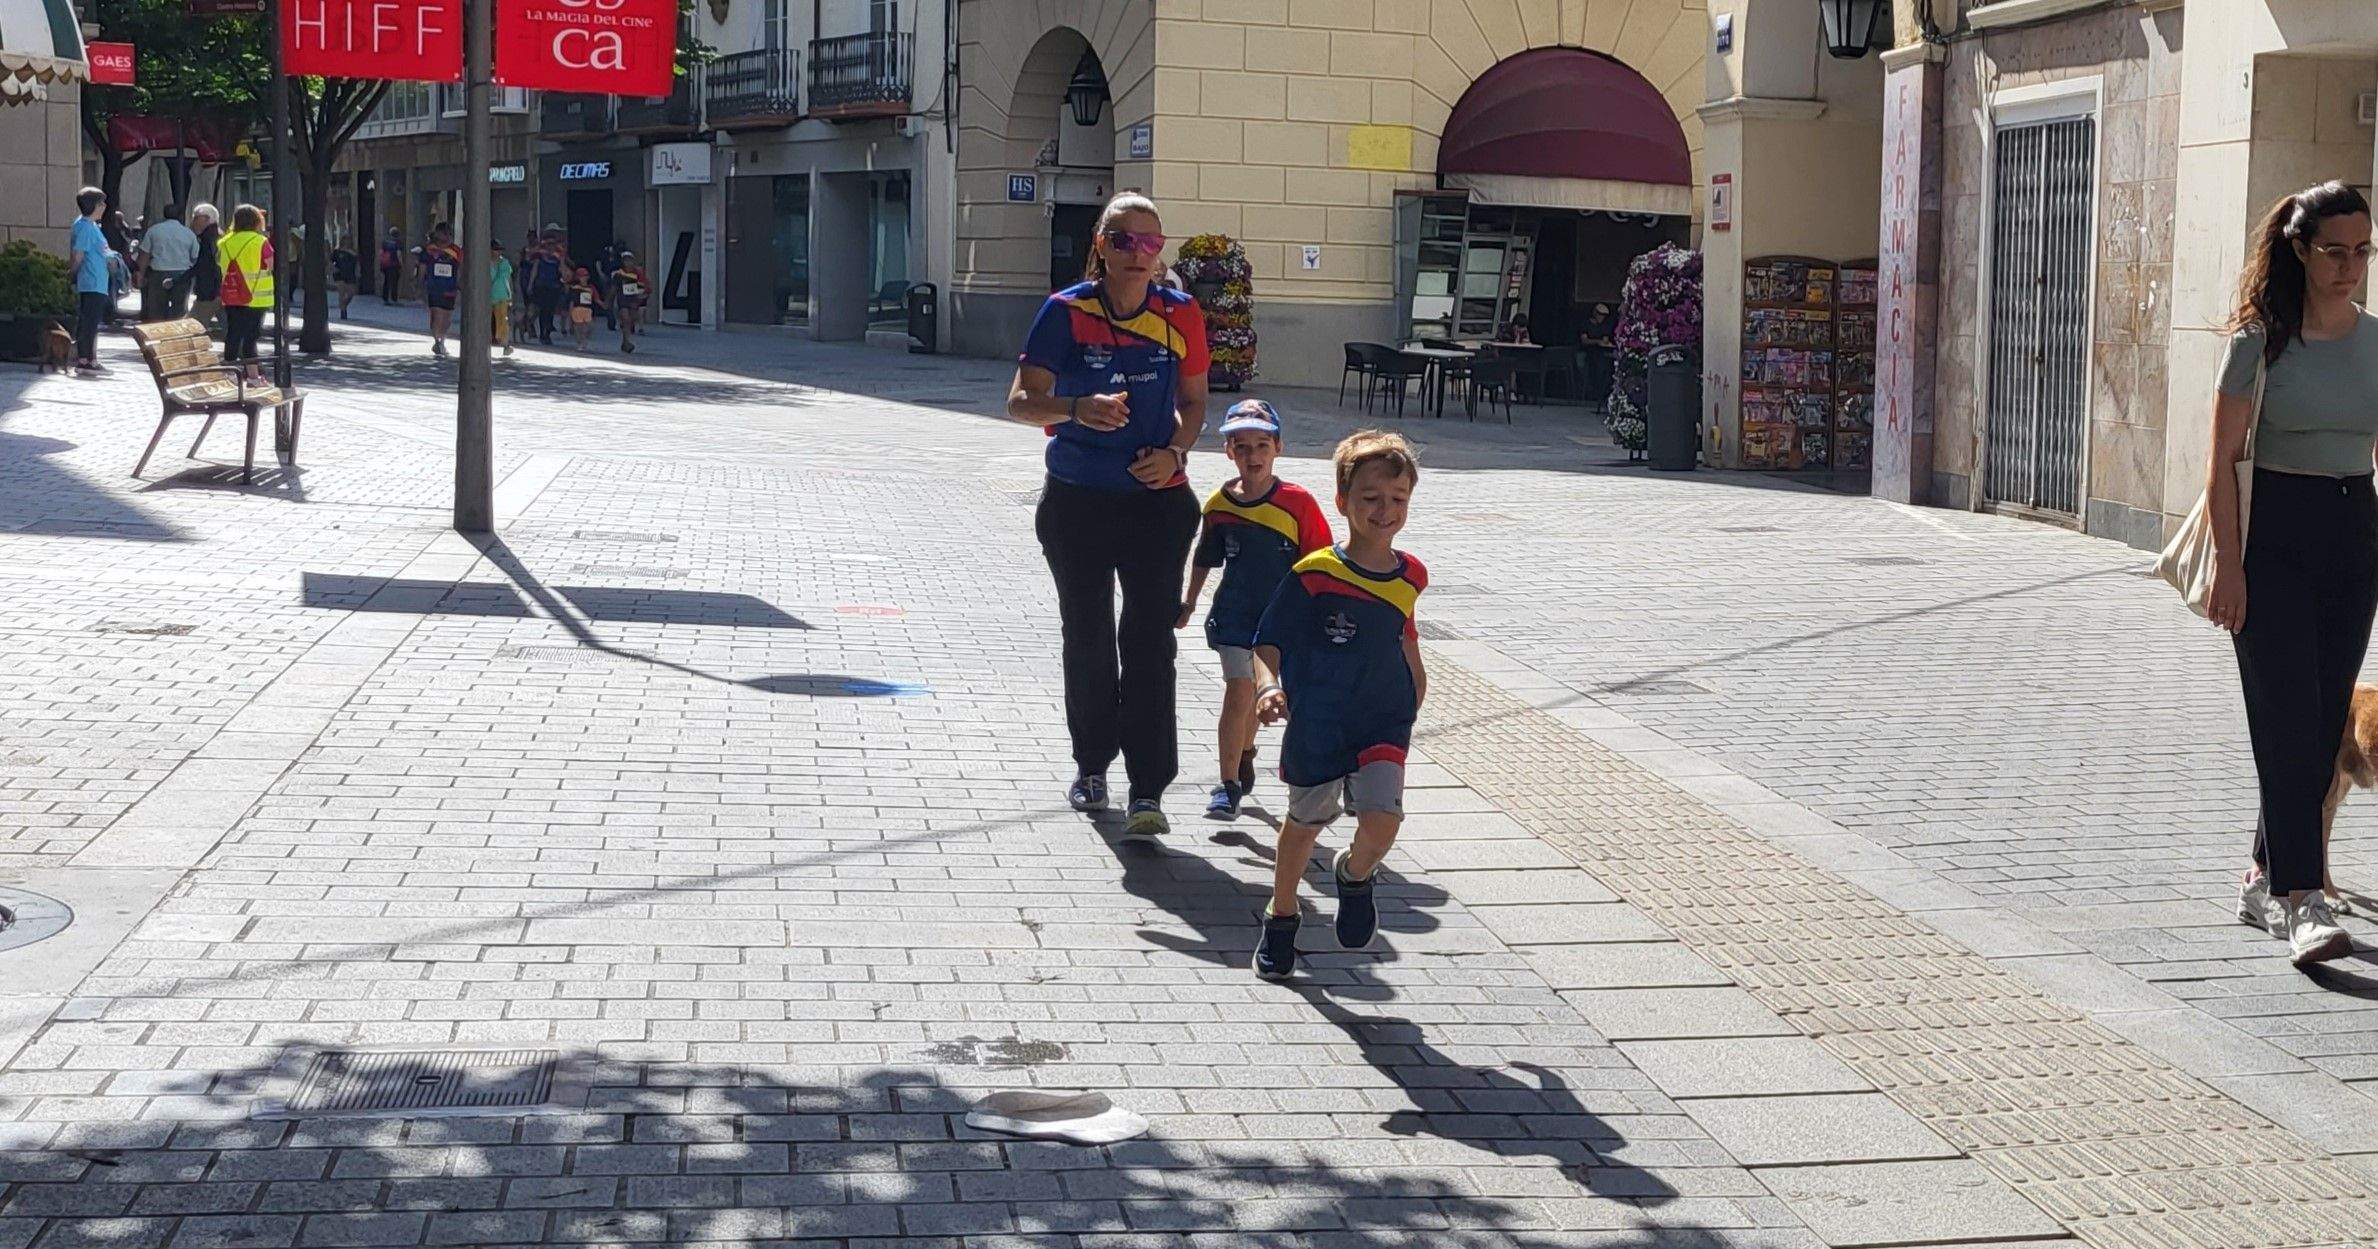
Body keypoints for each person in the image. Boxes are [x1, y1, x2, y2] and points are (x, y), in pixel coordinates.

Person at [1005, 192, 1209, 838]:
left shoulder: (1180, 314)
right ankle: (1092, 764)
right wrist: (1074, 408)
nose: (1138, 254)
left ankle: (1148, 788)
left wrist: (1175, 452)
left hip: (1156, 503)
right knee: (1088, 636)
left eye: (1151, 243)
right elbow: (1019, 402)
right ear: (1100, 243)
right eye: (1124, 240)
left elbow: (1197, 403)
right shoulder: (1065, 311)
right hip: (1078, 500)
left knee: (1149, 642)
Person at [2212, 180, 2378, 967]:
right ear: (2302, 251)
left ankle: (2262, 872)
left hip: (2353, 533)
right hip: (2271, 535)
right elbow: (2219, 462)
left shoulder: (2376, 343)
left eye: (2363, 252)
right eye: (2335, 252)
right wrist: (2228, 566)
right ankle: (2301, 900)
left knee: (2317, 726)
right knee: (2284, 718)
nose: (2351, 268)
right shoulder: (2259, 341)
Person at [1248, 431, 1427, 981]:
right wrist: (1266, 687)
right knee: (1304, 823)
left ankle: (1354, 873)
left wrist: (1416, 694)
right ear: (1343, 501)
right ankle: (1281, 916)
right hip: (1320, 723)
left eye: (1397, 499)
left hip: (1383, 720)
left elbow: (1405, 637)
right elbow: (1267, 642)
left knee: (1382, 823)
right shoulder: (1315, 573)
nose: (1385, 510)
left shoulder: (1411, 575)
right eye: (1371, 498)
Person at [1177, 399, 1331, 820]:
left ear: (1278, 448)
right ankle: (1227, 785)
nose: (1252, 456)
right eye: (1241, 446)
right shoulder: (1220, 504)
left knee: (1266, 698)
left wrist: (1323, 615)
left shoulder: (1299, 504)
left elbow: (1321, 565)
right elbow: (1205, 557)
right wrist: (1189, 601)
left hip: (1284, 623)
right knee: (1238, 690)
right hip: (1235, 615)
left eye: (1261, 445)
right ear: (1228, 451)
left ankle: (1246, 752)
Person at [216, 204, 274, 367]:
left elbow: (221, 264)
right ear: (257, 221)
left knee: (233, 333)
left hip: (232, 295)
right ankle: (252, 375)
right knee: (251, 338)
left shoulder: (224, 242)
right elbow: (270, 265)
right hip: (256, 298)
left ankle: (230, 369)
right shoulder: (261, 242)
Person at [66, 187, 113, 373]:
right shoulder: (85, 226)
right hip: (91, 280)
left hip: (97, 280)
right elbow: (78, 255)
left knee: (92, 321)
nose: (104, 207)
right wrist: (72, 273)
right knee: (89, 321)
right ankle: (85, 359)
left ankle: (90, 358)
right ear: (93, 205)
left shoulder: (91, 225)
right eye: (101, 203)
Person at [133, 203, 199, 323]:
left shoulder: (153, 231)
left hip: (158, 273)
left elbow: (144, 255)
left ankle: (158, 336)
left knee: (156, 310)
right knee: (179, 309)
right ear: (180, 216)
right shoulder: (188, 233)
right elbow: (195, 257)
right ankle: (175, 336)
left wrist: (140, 274)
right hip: (181, 275)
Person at [419, 223, 462, 357]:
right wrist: (420, 283)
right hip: (434, 287)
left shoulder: (456, 251)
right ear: (437, 234)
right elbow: (422, 267)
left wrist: (460, 285)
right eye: (444, 233)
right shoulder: (429, 249)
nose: (448, 236)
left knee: (447, 317)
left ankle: (442, 340)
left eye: (449, 233)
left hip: (450, 288)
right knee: (436, 314)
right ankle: (437, 340)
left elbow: (461, 268)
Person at [187, 204, 223, 333]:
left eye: (196, 218)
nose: (193, 221)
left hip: (210, 293)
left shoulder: (209, 238)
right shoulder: (215, 236)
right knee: (232, 333)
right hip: (216, 291)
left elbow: (210, 265)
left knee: (191, 330)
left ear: (207, 219)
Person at [528, 230, 567, 345]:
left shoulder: (558, 257)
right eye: (549, 244)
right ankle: (543, 334)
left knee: (550, 310)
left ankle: (547, 332)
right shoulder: (540, 256)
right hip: (541, 285)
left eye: (553, 244)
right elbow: (534, 271)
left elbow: (562, 270)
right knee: (542, 310)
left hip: (553, 286)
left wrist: (564, 282)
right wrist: (531, 284)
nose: (551, 247)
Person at [611, 249, 648, 353]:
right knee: (626, 319)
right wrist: (609, 301)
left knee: (631, 321)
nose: (628, 262)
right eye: (625, 260)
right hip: (622, 300)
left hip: (634, 301)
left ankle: (625, 341)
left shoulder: (638, 274)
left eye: (630, 260)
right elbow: (613, 288)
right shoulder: (618, 274)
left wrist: (643, 294)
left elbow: (645, 286)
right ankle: (627, 342)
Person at [564, 265, 603, 350]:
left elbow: (596, 298)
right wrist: (570, 313)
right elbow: (572, 301)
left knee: (590, 326)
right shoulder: (575, 288)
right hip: (577, 309)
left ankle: (584, 340)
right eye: (581, 276)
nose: (583, 278)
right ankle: (580, 343)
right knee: (578, 327)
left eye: (585, 276)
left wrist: (603, 304)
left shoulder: (591, 288)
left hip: (587, 309)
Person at [489, 241, 515, 357]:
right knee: (486, 321)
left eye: (499, 250)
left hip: (502, 295)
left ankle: (505, 344)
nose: (498, 252)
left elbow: (508, 279)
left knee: (502, 320)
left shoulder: (505, 263)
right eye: (495, 249)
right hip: (487, 296)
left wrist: (511, 295)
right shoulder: (485, 263)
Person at [330, 239, 359, 319]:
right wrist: (333, 268)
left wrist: (358, 272)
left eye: (349, 240)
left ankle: (343, 305)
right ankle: (343, 311)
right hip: (339, 274)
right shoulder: (337, 252)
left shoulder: (353, 252)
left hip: (350, 274)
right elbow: (331, 261)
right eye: (346, 240)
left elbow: (357, 262)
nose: (347, 242)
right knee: (341, 293)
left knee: (351, 293)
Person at [378, 227, 404, 304]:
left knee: (386, 281)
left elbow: (381, 252)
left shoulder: (385, 242)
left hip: (385, 265)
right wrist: (401, 264)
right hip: (394, 265)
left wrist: (381, 262)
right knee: (394, 282)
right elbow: (398, 254)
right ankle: (394, 299)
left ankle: (385, 298)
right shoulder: (397, 242)